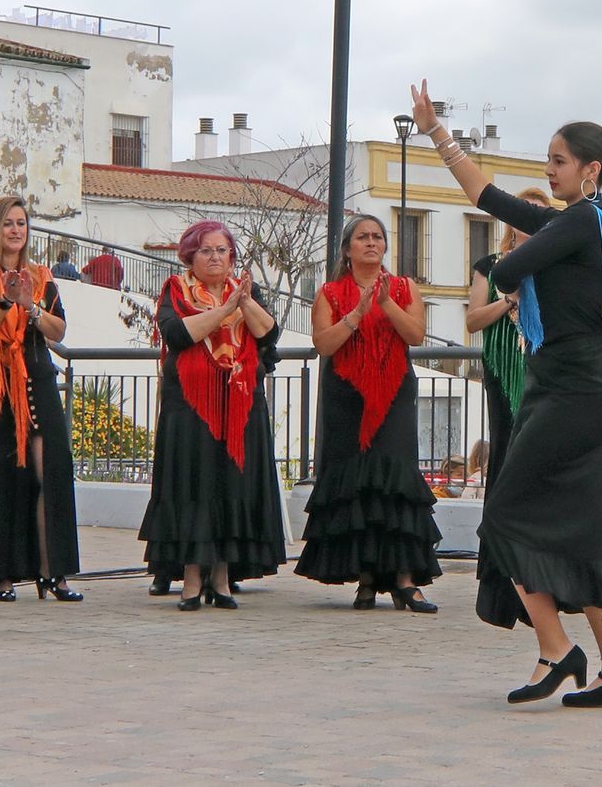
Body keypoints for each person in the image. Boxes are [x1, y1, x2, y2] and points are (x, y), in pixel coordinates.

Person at [413, 80, 602, 709]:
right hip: (569, 384)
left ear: (590, 170)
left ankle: (560, 650)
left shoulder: (584, 221)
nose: (548, 169)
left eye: (558, 160)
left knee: (506, 516)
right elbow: (485, 196)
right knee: (574, 531)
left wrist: (513, 275)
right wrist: (436, 133)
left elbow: (507, 269)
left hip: (575, 389)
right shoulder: (576, 221)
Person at [294, 214, 442, 612]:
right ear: (348, 249)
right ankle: (366, 578)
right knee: (357, 482)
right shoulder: (330, 292)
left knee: (395, 481)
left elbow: (415, 335)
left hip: (393, 392)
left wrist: (386, 304)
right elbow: (324, 344)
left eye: (377, 237)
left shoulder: (403, 287)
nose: (372, 243)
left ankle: (406, 580)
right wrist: (356, 315)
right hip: (347, 396)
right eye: (363, 237)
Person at [139, 220, 286, 611]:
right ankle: (191, 578)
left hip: (240, 406)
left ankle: (221, 577)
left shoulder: (245, 291)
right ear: (191, 256)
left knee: (231, 486)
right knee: (194, 488)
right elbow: (177, 334)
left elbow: (269, 334)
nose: (215, 257)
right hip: (191, 409)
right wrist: (224, 309)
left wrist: (244, 302)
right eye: (206, 251)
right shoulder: (177, 290)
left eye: (222, 250)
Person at [0, 196, 83, 603]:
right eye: (8, 223)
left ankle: (52, 570)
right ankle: (3, 572)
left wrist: (31, 307)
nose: (15, 230)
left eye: (21, 223)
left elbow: (58, 331)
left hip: (35, 374)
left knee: (51, 469)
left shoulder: (41, 276)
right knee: (3, 472)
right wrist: (5, 301)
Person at [465, 187, 552, 498]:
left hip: (544, 367)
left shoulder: (553, 267)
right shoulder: (490, 266)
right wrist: (509, 301)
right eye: (523, 209)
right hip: (502, 367)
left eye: (536, 210)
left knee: (541, 443)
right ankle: (497, 518)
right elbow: (473, 320)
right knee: (503, 440)